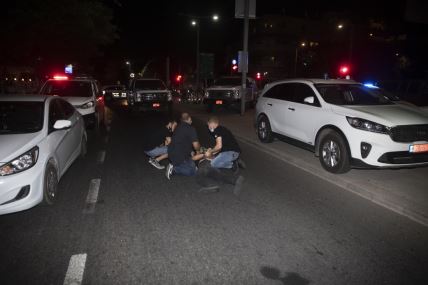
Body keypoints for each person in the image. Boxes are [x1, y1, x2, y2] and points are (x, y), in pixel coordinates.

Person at [196, 117, 245, 195]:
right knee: (215, 162)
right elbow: (219, 148)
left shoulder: (217, 130)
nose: (208, 128)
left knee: (213, 164)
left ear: (212, 124)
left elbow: (219, 146)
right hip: (233, 153)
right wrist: (211, 153)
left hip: (230, 153)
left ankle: (232, 165)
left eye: (208, 125)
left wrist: (210, 151)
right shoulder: (222, 129)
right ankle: (233, 163)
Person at [166, 113, 200, 179]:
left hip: (171, 152)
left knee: (193, 165)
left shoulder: (178, 127)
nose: (192, 121)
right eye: (191, 120)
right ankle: (174, 169)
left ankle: (179, 164)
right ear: (189, 119)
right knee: (193, 172)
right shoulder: (191, 129)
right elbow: (196, 145)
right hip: (178, 155)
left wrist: (190, 151)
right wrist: (198, 150)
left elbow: (181, 141)